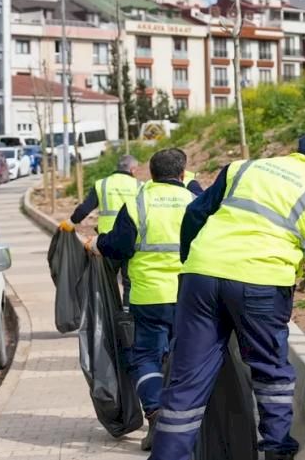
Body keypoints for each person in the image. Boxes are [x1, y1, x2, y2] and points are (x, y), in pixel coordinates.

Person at [150, 131, 305, 460]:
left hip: (200, 278)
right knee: (271, 372)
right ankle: (277, 452)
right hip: (260, 285)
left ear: (296, 153)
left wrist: (192, 264)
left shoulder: (242, 168)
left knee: (187, 378)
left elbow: (195, 214)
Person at [84, 149, 195, 451]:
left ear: (149, 174)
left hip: (147, 297)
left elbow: (118, 246)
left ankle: (156, 412)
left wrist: (96, 244)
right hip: (189, 296)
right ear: (183, 174)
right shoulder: (195, 202)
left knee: (145, 357)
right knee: (183, 357)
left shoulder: (137, 203)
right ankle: (184, 424)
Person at [60, 154, 141, 305]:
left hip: (106, 242)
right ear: (133, 169)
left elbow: (85, 208)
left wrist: (71, 221)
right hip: (131, 241)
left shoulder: (102, 184)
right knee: (129, 281)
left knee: (106, 282)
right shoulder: (139, 186)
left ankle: (108, 317)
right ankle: (127, 316)